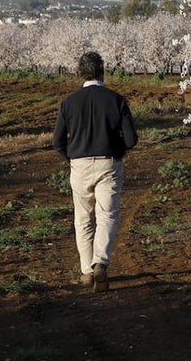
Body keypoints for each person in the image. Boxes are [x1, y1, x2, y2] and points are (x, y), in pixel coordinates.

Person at [52, 51, 138, 292]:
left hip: (79, 165)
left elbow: (57, 140)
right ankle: (100, 262)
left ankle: (86, 272)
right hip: (108, 163)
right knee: (107, 215)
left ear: (80, 73)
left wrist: (72, 157)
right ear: (103, 71)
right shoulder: (117, 100)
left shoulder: (69, 102)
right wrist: (117, 150)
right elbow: (131, 139)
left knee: (82, 219)